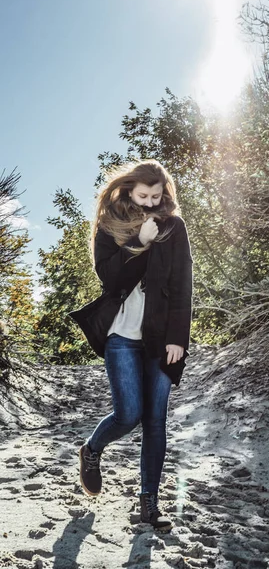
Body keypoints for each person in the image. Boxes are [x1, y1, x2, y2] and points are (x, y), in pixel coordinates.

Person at [78, 159, 192, 532]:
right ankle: (92, 450)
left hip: (161, 340)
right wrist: (137, 242)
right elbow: (110, 280)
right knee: (128, 415)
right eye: (143, 195)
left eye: (156, 196)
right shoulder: (108, 228)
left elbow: (182, 285)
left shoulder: (174, 227)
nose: (149, 202)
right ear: (128, 190)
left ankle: (149, 505)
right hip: (121, 338)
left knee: (155, 421)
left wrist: (178, 337)